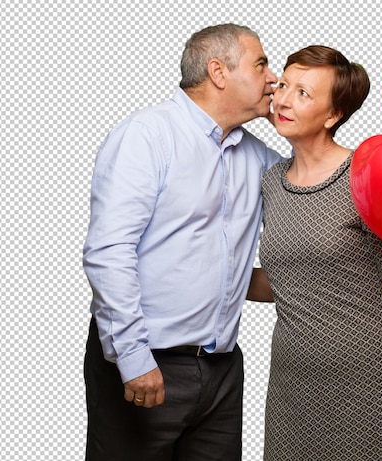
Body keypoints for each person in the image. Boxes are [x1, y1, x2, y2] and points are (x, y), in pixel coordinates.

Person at [82, 24, 282, 461]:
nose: (274, 78)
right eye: (262, 64)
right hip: (146, 364)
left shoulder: (259, 158)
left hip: (222, 373)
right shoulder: (147, 136)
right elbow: (109, 253)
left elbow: (313, 198)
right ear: (218, 72)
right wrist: (134, 358)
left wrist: (294, 121)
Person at [247, 45, 382, 460]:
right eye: (284, 85)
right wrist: (201, 279)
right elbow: (289, 280)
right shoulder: (270, 183)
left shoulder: (368, 175)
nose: (284, 99)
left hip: (368, 381)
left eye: (304, 93)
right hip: (294, 387)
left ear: (332, 115)